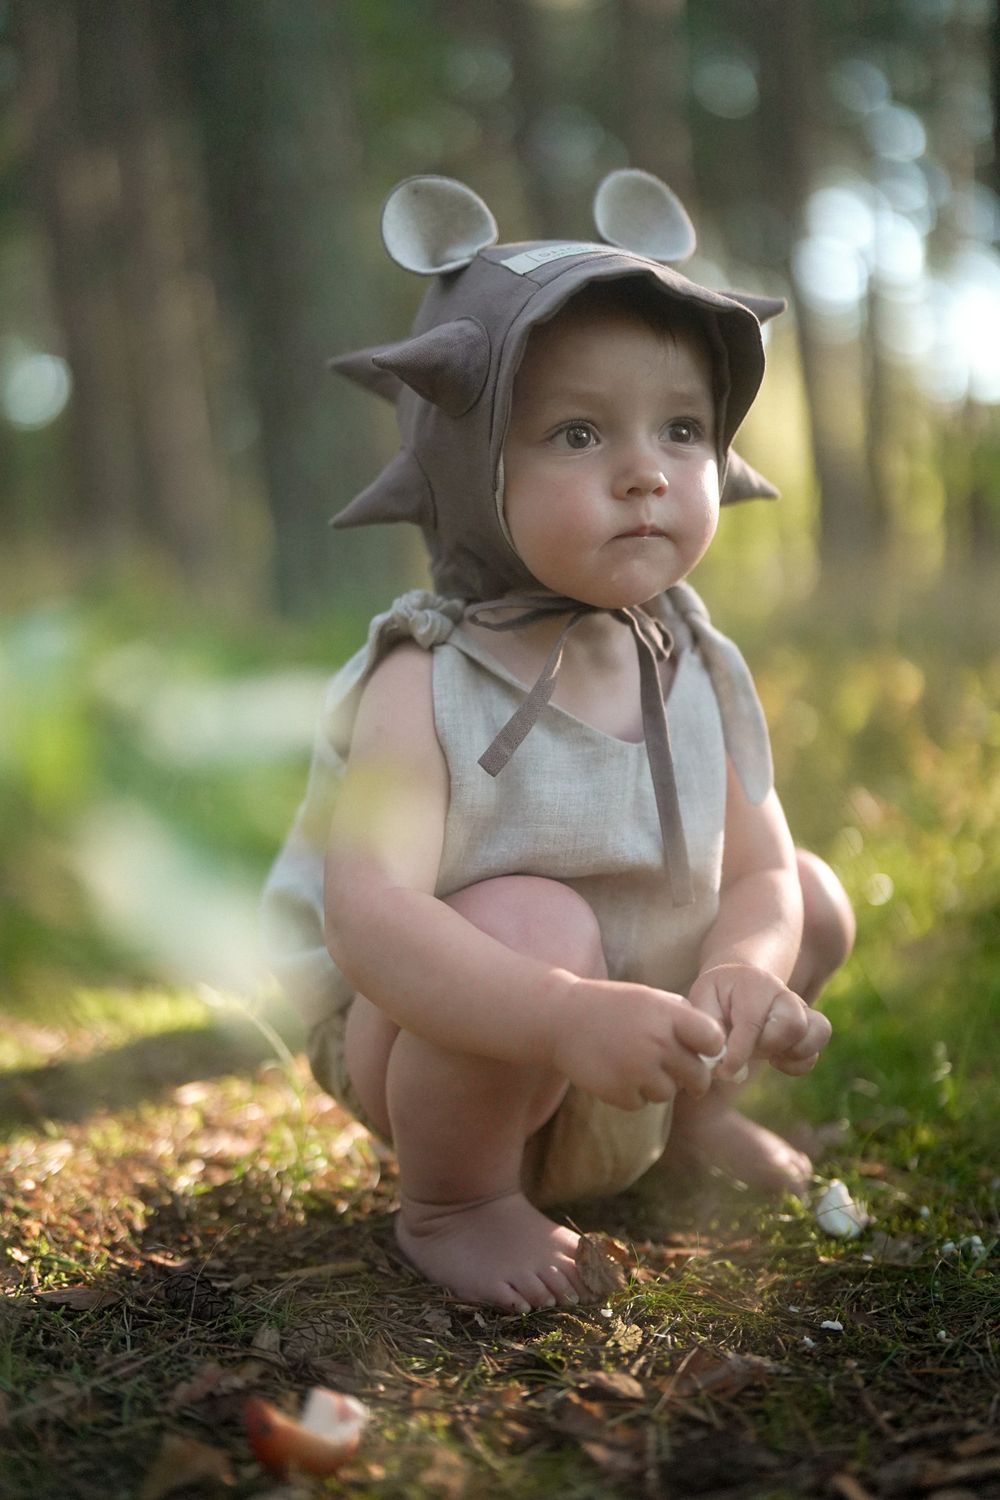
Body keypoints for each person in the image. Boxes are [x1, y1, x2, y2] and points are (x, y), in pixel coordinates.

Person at [263, 171, 855, 1313]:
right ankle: (456, 1203)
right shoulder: (424, 675)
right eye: (577, 433)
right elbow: (372, 918)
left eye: (680, 429)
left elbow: (760, 868)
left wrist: (745, 968)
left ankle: (695, 1124)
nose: (645, 470)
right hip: (452, 1046)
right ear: (467, 464)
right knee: (537, 915)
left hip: (632, 1037)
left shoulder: (696, 659)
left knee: (815, 900)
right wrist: (558, 1012)